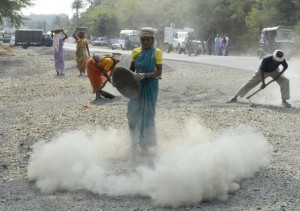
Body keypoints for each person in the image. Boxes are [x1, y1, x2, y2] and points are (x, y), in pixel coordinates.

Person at [127, 27, 163, 151]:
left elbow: (159, 72)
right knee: (132, 113)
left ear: (152, 40)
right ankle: (134, 140)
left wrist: (145, 75)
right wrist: (121, 79)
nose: (145, 42)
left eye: (148, 40)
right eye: (143, 40)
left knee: (147, 115)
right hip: (137, 86)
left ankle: (145, 144)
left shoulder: (156, 52)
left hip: (150, 86)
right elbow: (131, 70)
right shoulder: (136, 52)